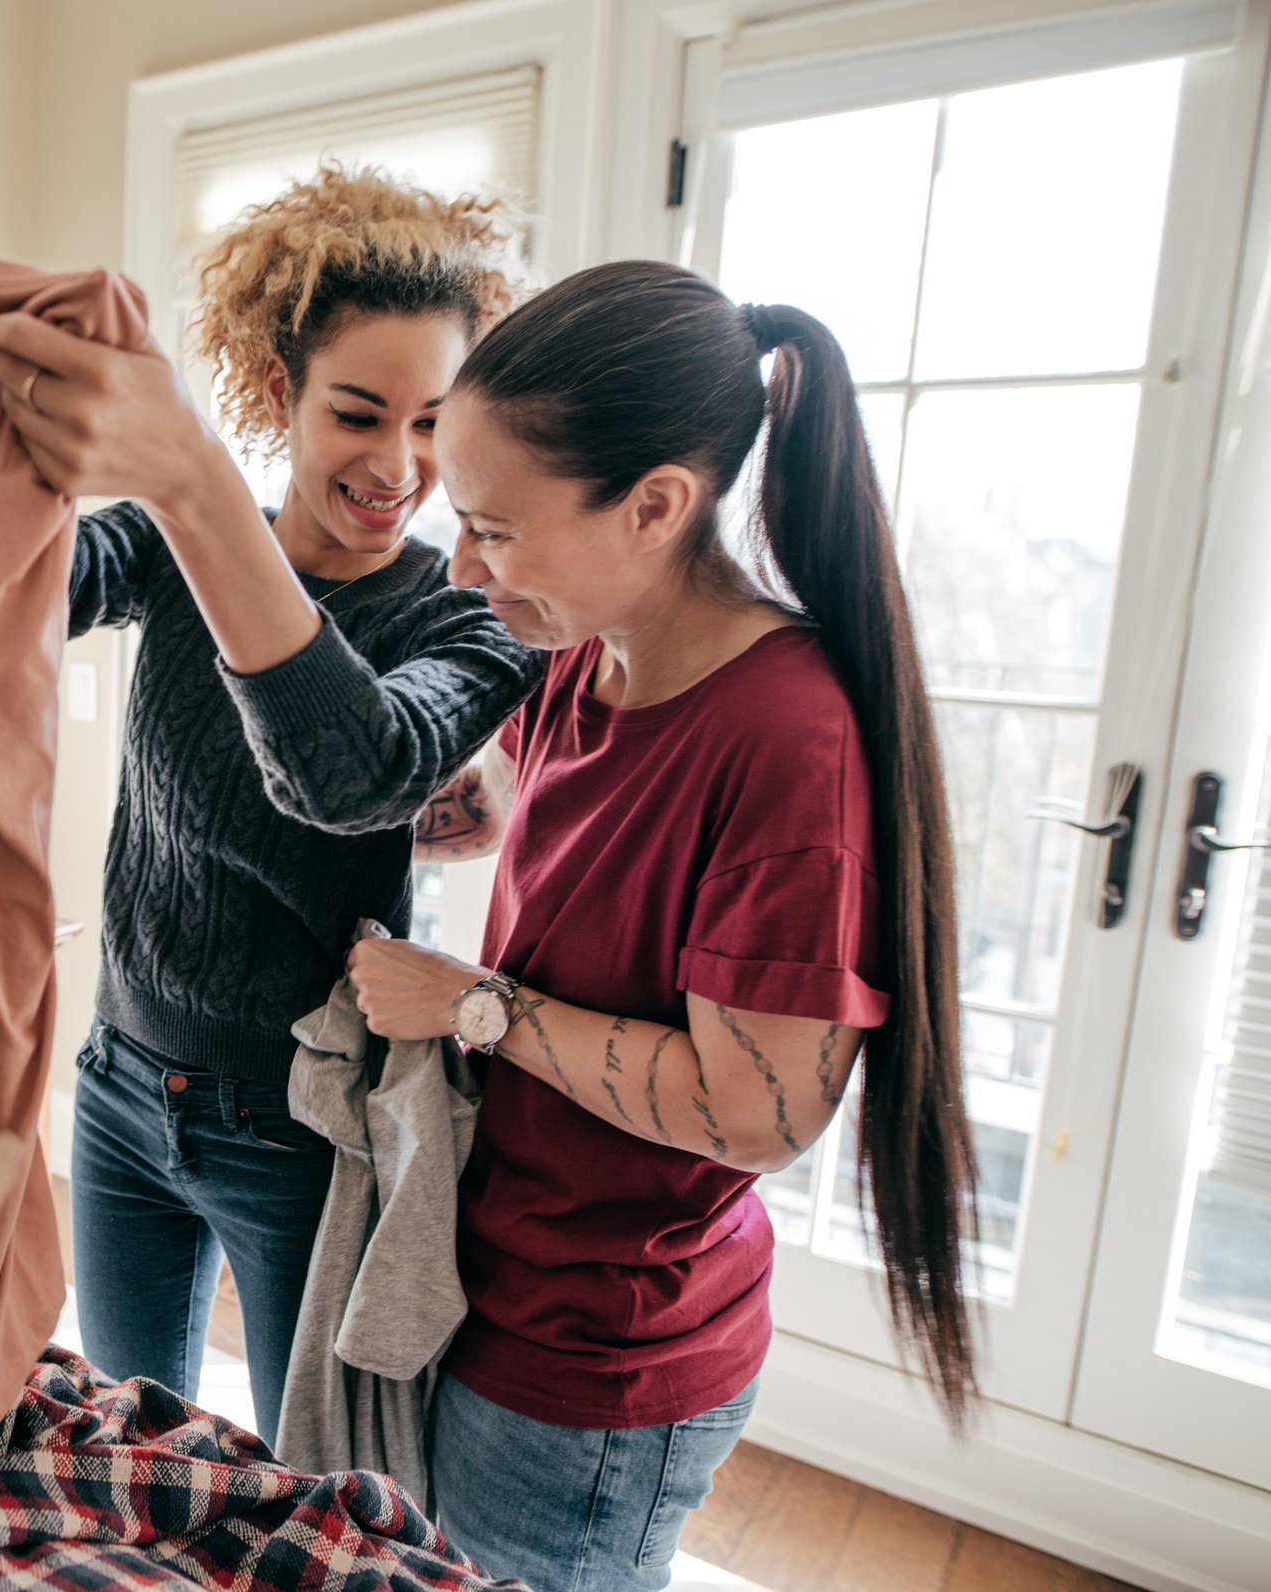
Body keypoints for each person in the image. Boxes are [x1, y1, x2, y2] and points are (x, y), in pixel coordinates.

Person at [0, 169, 545, 1427]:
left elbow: (358, 765)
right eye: (361, 413)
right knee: (128, 1444)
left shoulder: (463, 616)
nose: (400, 465)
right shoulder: (168, 548)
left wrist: (193, 484)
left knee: (296, 1479)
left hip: (297, 1130)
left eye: (433, 422)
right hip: (118, 1086)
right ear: (280, 393)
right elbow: (3, 576)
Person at [345, 261, 980, 1592]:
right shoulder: (587, 651)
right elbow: (574, 814)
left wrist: (475, 1005)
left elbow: (756, 1111)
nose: (463, 567)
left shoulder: (786, 739)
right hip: (507, 1279)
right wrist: (470, 805)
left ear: (654, 506)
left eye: (496, 531)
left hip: (600, 1361)